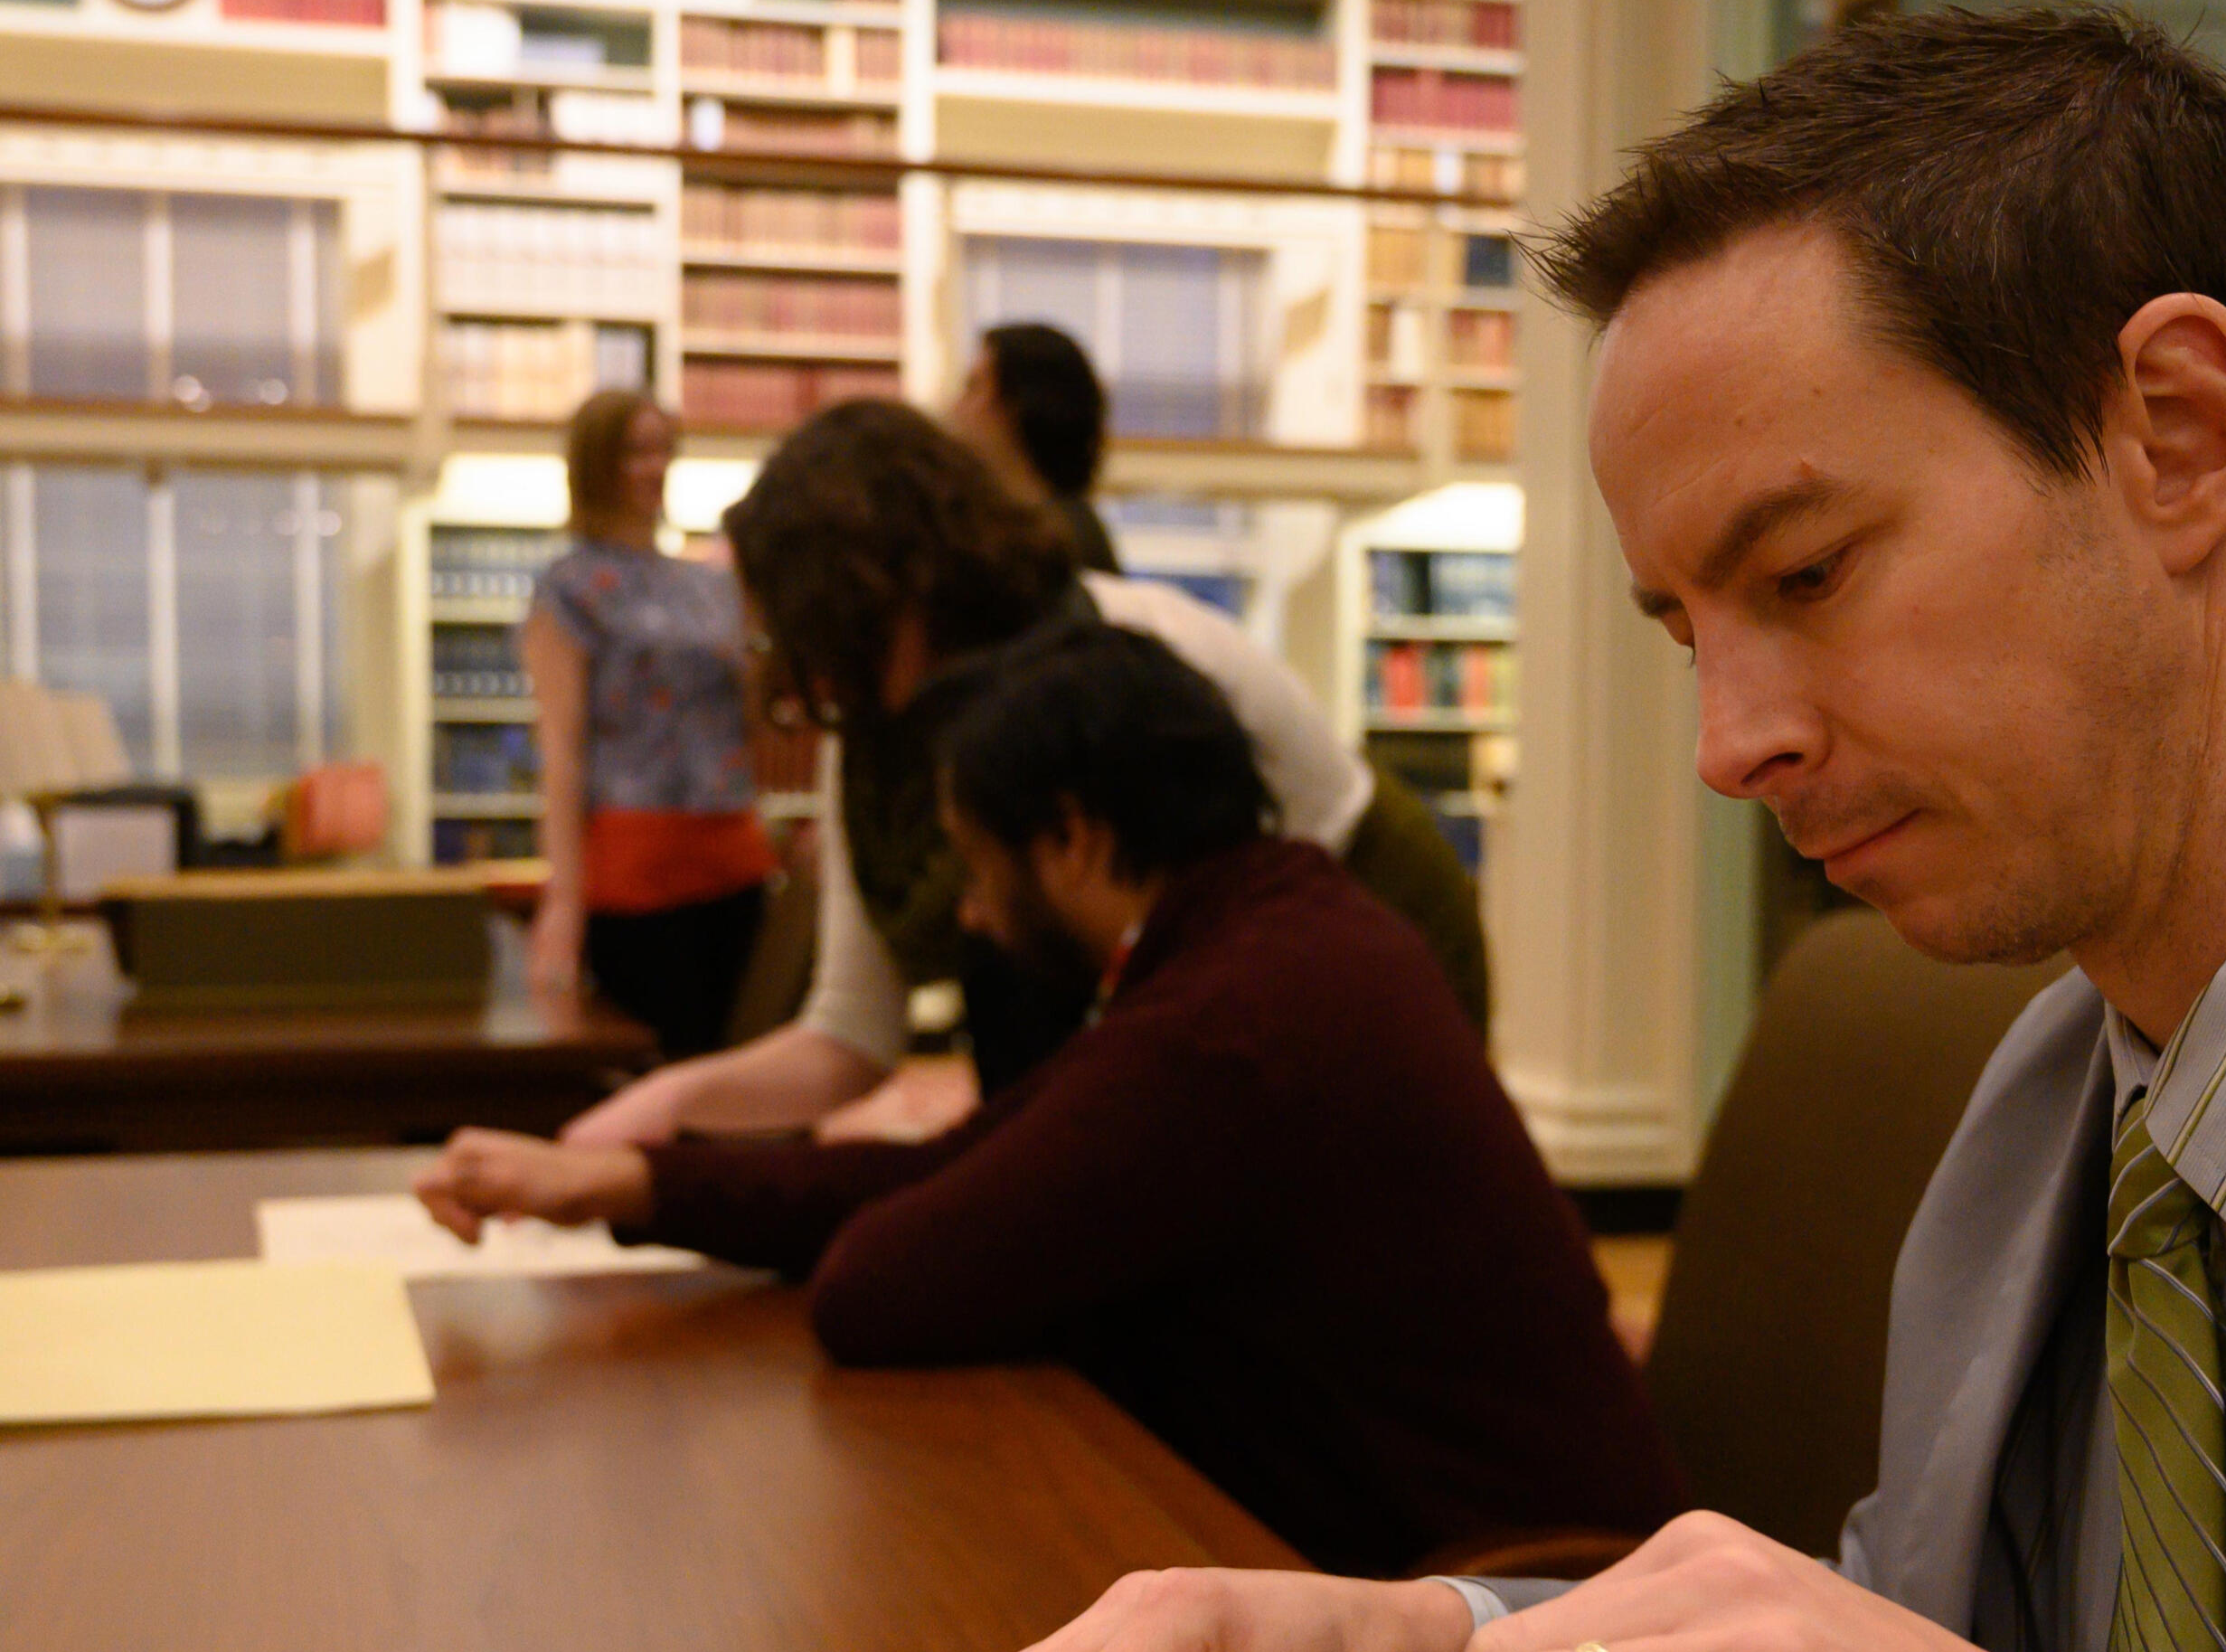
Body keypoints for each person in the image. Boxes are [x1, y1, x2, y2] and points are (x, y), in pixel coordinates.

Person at [883, 7, 2226, 1652]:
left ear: (2178, 433)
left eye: (1805, 572)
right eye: (1681, 629)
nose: (1728, 743)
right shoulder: (2052, 1100)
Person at [416, 622, 1684, 1579]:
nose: (971, 914)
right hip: (1457, 1564)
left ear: (1071, 837)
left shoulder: (1228, 1025)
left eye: (977, 864)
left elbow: (883, 1283)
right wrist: (633, 1182)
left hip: (1520, 1610)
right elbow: (973, 1165)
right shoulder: (1280, 930)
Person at [556, 401, 1488, 1147]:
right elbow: (851, 1032)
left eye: (817, 629)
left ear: (895, 593)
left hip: (1365, 941)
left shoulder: (1121, 671)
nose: (810, 676)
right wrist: (664, 1106)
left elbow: (1202, 1003)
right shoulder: (873, 727)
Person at [526, 389, 773, 1060]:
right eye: (635, 450)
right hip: (637, 866)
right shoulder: (569, 588)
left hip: (732, 853)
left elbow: (750, 719)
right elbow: (562, 747)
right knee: (665, 1055)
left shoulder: (709, 583)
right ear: (596, 463)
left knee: (736, 1057)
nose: (654, 466)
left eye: (664, 449)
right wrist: (563, 900)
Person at [949, 322, 1124, 573]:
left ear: (1015, 407)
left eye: (973, 387)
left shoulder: (1054, 543)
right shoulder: (1019, 524)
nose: (955, 406)